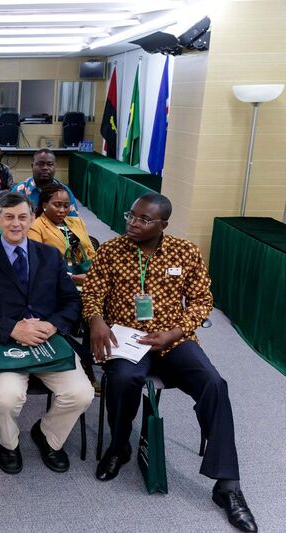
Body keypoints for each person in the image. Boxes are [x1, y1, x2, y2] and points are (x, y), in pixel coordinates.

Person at [81, 193, 257, 533]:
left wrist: (175, 332)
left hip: (173, 339)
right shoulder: (111, 250)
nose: (133, 223)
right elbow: (92, 292)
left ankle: (228, 485)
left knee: (214, 384)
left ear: (163, 224)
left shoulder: (185, 251)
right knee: (123, 379)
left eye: (144, 219)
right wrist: (96, 320)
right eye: (131, 215)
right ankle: (119, 447)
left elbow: (202, 300)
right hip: (128, 339)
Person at [0, 192, 93, 476]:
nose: (16, 223)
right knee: (6, 398)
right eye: (9, 217)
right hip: (4, 341)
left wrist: (53, 325)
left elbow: (72, 301)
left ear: (32, 219)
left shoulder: (50, 256)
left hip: (48, 340)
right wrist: (11, 327)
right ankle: (8, 444)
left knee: (81, 393)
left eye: (22, 217)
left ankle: (47, 436)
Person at [28, 183, 96, 285]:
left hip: (87, 275)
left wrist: (94, 274)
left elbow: (91, 252)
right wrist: (72, 278)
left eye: (66, 206)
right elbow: (39, 264)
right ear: (45, 205)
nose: (62, 210)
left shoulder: (78, 222)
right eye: (57, 205)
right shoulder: (35, 227)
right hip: (57, 280)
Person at [12, 148, 78, 216]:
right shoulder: (20, 190)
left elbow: (73, 219)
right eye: (40, 164)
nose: (45, 168)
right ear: (32, 166)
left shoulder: (64, 191)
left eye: (50, 164)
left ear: (55, 167)